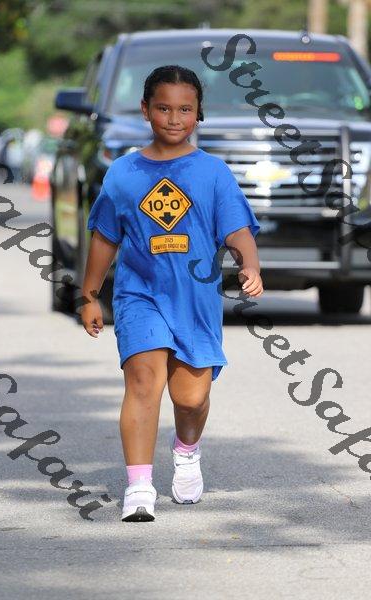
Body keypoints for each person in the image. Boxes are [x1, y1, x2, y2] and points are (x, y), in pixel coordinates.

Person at [81, 65, 263, 522]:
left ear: (199, 114)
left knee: (190, 398)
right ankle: (139, 486)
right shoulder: (123, 173)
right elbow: (105, 237)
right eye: (163, 108)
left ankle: (186, 450)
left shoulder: (213, 172)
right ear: (145, 110)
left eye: (185, 109)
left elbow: (237, 229)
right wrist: (89, 294)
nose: (174, 118)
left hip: (195, 300)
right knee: (144, 383)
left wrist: (249, 264)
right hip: (138, 294)